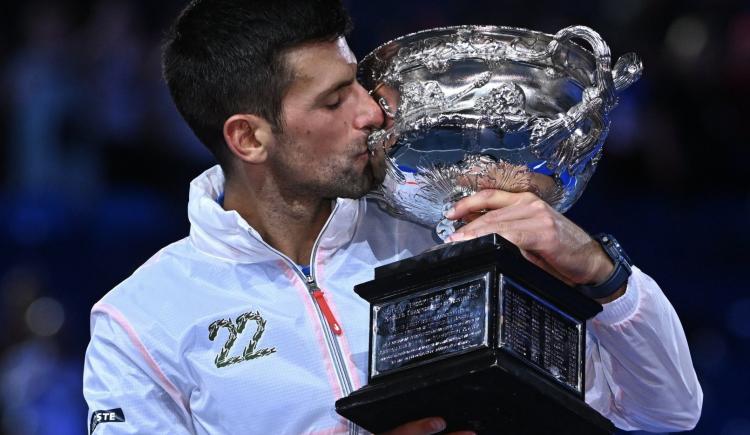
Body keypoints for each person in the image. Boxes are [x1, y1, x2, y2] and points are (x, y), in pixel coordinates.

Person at [83, 0, 703, 433]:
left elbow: (667, 408)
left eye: (358, 83)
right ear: (249, 138)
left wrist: (601, 272)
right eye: (334, 101)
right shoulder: (143, 319)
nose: (373, 113)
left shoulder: (452, 230)